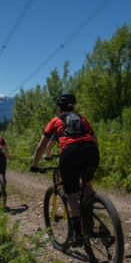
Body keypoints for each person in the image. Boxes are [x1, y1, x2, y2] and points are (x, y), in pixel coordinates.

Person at [29, 93, 99, 247]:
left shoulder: (56, 120)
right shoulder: (82, 118)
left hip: (70, 153)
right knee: (87, 184)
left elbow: (41, 146)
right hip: (92, 151)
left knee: (72, 196)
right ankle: (89, 219)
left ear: (59, 107)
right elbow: (95, 139)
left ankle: (78, 237)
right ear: (73, 106)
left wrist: (34, 165)